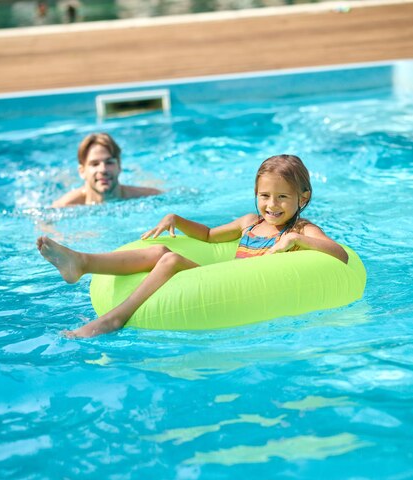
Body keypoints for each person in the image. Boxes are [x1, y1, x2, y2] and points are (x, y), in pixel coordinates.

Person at [37, 154, 348, 338]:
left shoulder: (302, 228)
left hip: (240, 291)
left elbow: (341, 255)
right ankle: (83, 263)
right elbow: (211, 235)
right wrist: (177, 218)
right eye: (265, 196)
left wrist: (296, 239)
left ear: (302, 198)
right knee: (161, 253)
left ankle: (114, 318)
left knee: (170, 261)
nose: (272, 205)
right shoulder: (250, 222)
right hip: (224, 280)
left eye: (282, 197)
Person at [52, 133, 161, 208]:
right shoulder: (65, 206)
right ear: (82, 171)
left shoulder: (148, 196)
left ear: (119, 166)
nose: (103, 169)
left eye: (109, 162)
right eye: (94, 164)